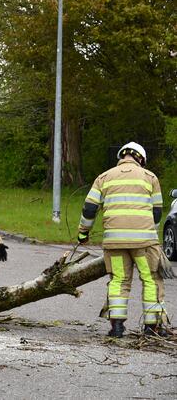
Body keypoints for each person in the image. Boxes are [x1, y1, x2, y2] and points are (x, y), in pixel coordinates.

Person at [77, 142, 167, 337]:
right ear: (141, 159)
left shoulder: (104, 177)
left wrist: (83, 233)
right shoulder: (150, 177)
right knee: (150, 279)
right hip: (144, 244)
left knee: (119, 280)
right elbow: (157, 212)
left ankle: (117, 328)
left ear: (121, 157)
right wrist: (152, 234)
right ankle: (152, 327)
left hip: (115, 243)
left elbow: (89, 209)